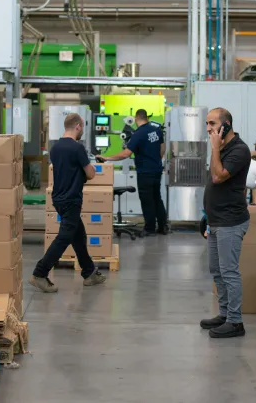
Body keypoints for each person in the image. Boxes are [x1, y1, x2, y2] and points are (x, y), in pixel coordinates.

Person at [29, 113, 106, 293]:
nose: (82, 131)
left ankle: (89, 273)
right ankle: (39, 273)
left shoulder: (55, 148)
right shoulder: (77, 148)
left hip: (59, 198)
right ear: (78, 126)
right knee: (64, 238)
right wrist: (92, 167)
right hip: (71, 199)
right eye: (82, 128)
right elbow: (90, 174)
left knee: (79, 236)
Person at [200, 108, 251, 339]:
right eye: (207, 124)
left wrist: (214, 147)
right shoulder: (221, 148)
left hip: (231, 221)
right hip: (216, 221)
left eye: (212, 123)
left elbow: (218, 176)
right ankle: (224, 314)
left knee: (229, 271)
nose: (208, 128)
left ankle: (235, 321)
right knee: (217, 271)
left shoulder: (239, 150)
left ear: (226, 125)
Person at [96, 109, 167, 236]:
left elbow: (126, 153)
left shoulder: (138, 133)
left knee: (147, 200)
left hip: (145, 172)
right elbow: (162, 148)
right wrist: (156, 161)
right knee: (157, 198)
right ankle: (163, 227)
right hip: (157, 170)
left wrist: (107, 158)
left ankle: (149, 229)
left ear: (135, 118)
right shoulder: (156, 130)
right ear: (146, 117)